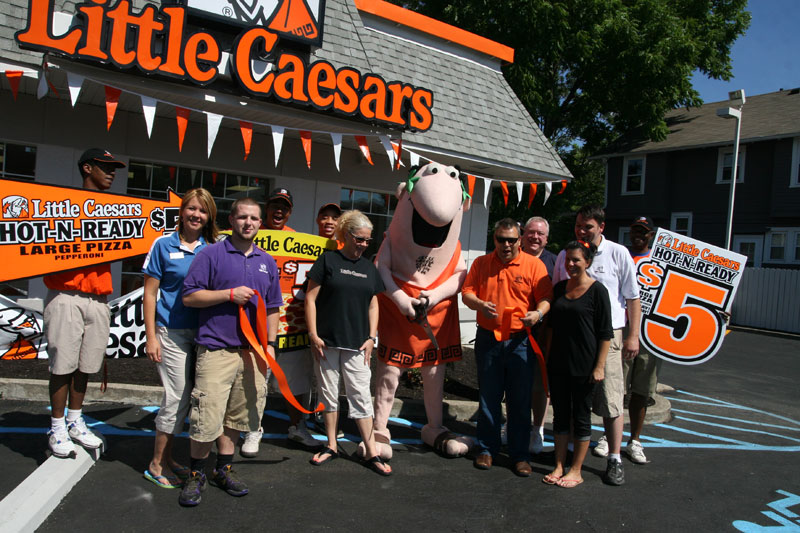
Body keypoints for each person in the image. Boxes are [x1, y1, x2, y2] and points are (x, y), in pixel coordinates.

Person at [178, 197, 282, 507]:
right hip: (216, 351)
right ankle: (197, 474)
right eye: (242, 217)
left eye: (254, 218)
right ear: (231, 220)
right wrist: (228, 295)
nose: (248, 223)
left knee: (238, 417)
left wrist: (271, 346)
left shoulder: (267, 261)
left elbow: (274, 308)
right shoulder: (211, 255)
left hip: (252, 354)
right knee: (206, 417)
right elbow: (189, 297)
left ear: (260, 223)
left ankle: (223, 469)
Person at [44, 148, 125, 457]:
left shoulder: (118, 210)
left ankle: (75, 421)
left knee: (86, 366)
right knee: (62, 365)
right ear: (87, 168)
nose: (112, 172)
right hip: (66, 294)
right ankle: (56, 426)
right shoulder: (61, 205)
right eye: (105, 167)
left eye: (113, 167)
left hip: (99, 298)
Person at [553, 205, 641, 486]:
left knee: (610, 400)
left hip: (608, 337)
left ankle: (614, 458)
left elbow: (632, 297)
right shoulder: (565, 255)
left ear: (601, 227)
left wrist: (632, 335)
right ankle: (566, 455)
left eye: (587, 226)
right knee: (570, 402)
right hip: (571, 337)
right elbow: (557, 294)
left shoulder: (618, 253)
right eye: (578, 225)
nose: (582, 230)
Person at [461, 218, 552, 476]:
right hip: (488, 340)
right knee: (488, 398)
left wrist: (537, 314)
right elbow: (467, 292)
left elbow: (546, 298)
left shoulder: (534, 265)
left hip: (520, 342)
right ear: (495, 240)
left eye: (512, 240)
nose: (507, 244)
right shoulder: (481, 263)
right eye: (502, 239)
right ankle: (486, 450)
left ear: (520, 239)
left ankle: (519, 454)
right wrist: (479, 304)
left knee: (519, 400)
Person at [141, 188, 218, 488]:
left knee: (191, 399)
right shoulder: (162, 245)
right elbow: (149, 294)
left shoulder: (212, 247)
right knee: (175, 397)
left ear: (209, 216)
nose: (196, 215)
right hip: (170, 332)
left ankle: (171, 457)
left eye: (202, 210)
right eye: (191, 209)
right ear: (181, 211)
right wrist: (151, 337)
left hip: (204, 333)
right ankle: (156, 464)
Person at [304, 210, 390, 475]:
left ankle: (371, 451)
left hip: (357, 344)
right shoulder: (328, 260)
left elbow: (374, 303)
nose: (364, 244)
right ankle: (331, 445)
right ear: (346, 235)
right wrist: (314, 334)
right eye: (359, 239)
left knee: (361, 396)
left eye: (367, 240)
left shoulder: (368, 268)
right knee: (328, 395)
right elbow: (310, 298)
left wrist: (371, 338)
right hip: (326, 342)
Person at [242, 186, 318, 457]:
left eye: (284, 207)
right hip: (255, 320)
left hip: (292, 323)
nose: (279, 211)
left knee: (296, 381)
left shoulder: (300, 241)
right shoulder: (250, 237)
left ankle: (298, 426)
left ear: (290, 212)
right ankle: (252, 428)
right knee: (255, 379)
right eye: (275, 205)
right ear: (266, 208)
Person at [542, 241, 613, 488]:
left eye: (577, 260)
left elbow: (605, 333)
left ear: (588, 263)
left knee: (581, 417)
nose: (571, 264)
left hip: (585, 366)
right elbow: (550, 328)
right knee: (560, 416)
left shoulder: (598, 291)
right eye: (568, 260)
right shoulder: (560, 288)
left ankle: (576, 469)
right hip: (558, 364)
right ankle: (559, 464)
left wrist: (599, 366)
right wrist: (546, 360)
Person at [623, 216, 661, 464]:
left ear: (651, 235)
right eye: (635, 230)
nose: (639, 235)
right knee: (616, 388)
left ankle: (635, 440)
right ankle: (608, 435)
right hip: (622, 330)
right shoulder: (622, 257)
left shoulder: (660, 263)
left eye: (644, 232)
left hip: (652, 333)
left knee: (642, 390)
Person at [521, 215, 557, 454]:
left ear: (546, 238)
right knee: (512, 383)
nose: (535, 237)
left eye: (540, 234)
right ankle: (513, 424)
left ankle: (537, 429)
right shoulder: (510, 254)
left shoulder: (555, 262)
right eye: (531, 232)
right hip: (512, 331)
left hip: (542, 333)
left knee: (538, 385)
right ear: (523, 233)